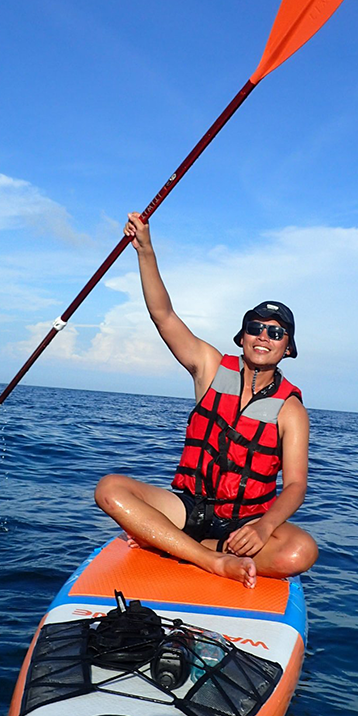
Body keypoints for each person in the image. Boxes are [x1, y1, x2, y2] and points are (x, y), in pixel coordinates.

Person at [94, 212, 319, 589]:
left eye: (276, 332)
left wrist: (264, 528)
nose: (263, 336)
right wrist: (145, 250)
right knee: (110, 490)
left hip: (244, 522)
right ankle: (209, 559)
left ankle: (172, 544)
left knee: (300, 552)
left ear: (287, 348)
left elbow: (295, 484)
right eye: (255, 328)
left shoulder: (291, 410)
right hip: (190, 506)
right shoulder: (210, 367)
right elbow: (162, 315)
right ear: (242, 336)